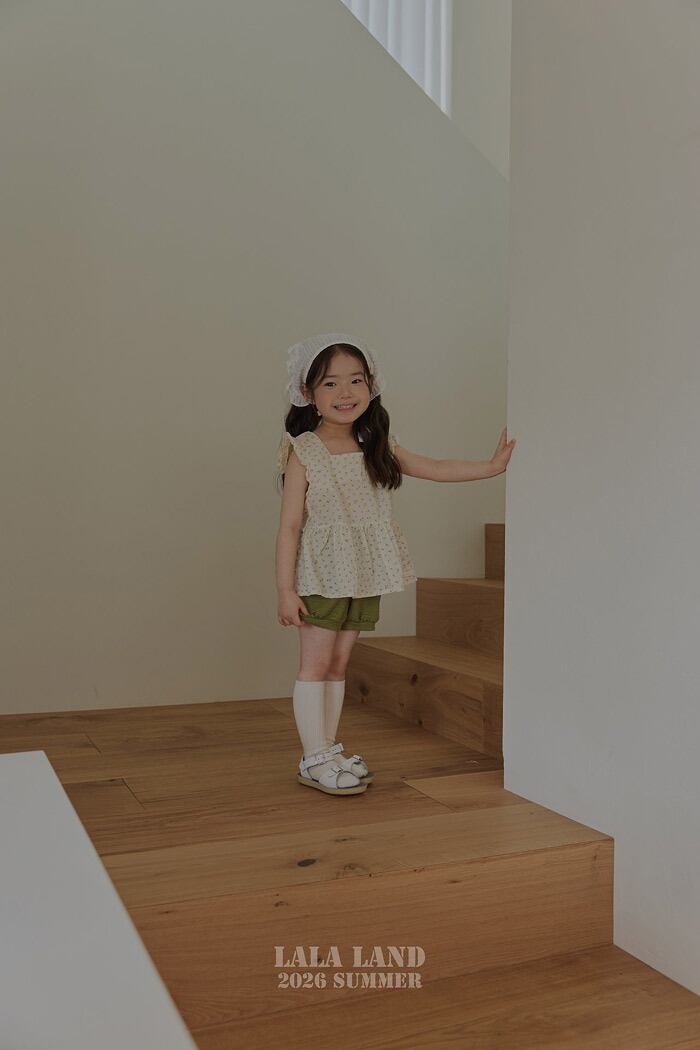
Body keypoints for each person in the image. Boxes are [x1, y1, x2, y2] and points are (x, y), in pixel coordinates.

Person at [274, 332, 516, 798]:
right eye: (330, 384)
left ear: (371, 384)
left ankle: (326, 749)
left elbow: (435, 467)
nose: (345, 393)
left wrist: (490, 467)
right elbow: (288, 527)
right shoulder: (304, 450)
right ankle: (313, 757)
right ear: (308, 393)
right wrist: (285, 590)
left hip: (362, 571)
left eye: (355, 380)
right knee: (316, 664)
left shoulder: (375, 442)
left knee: (339, 662)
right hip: (323, 573)